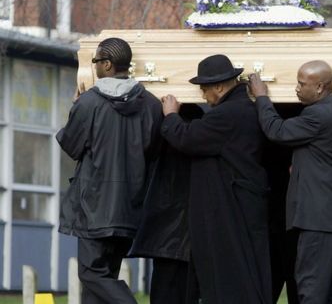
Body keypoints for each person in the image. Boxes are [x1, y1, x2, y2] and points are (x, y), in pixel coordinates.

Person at [57, 37, 163, 304]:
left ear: (106, 64)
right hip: (130, 205)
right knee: (100, 284)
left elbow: (71, 145)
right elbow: (153, 151)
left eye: (95, 62)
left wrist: (75, 108)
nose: (93, 67)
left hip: (95, 207)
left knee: (92, 274)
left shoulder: (89, 103)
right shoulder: (151, 104)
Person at [160, 54, 271, 304]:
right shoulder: (244, 108)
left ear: (219, 87)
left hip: (229, 208)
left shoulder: (226, 114)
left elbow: (186, 138)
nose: (202, 96)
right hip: (241, 202)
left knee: (229, 276)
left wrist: (170, 116)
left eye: (204, 89)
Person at [248, 60, 332, 304]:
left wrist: (262, 97)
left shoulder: (318, 115)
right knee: (329, 291)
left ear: (320, 88)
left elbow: (276, 130)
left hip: (318, 219)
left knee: (311, 287)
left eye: (301, 83)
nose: (296, 88)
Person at [129, 103, 204, 304]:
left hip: (165, 233)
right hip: (192, 234)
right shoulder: (201, 144)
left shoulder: (162, 143)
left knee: (164, 291)